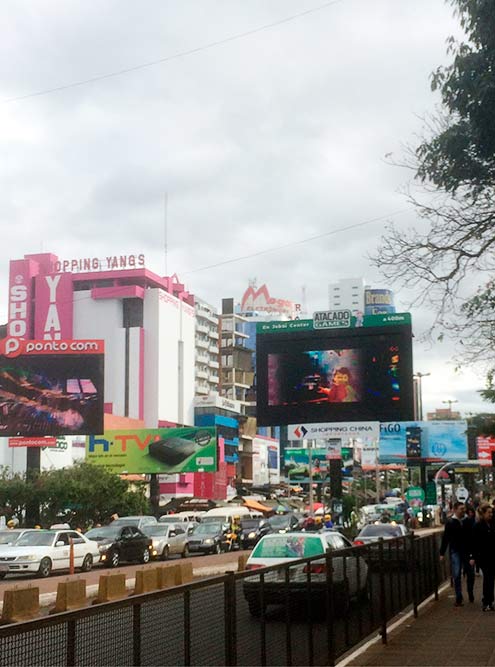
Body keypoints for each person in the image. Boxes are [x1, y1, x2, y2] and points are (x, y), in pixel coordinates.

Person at [439, 501, 474, 606]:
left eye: (464, 509)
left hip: (467, 551)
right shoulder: (450, 522)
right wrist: (442, 552)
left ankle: (470, 592)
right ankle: (459, 597)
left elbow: (472, 537)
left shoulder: (467, 521)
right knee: (456, 574)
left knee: (470, 574)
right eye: (461, 509)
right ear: (455, 510)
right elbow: (446, 538)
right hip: (456, 551)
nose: (463, 511)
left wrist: (473, 553)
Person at [470, 503, 495, 611]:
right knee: (488, 578)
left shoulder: (492, 524)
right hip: (484, 557)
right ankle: (486, 601)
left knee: (491, 579)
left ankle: (490, 601)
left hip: (493, 556)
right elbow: (474, 543)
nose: (491, 514)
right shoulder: (478, 526)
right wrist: (473, 557)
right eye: (489, 512)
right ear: (483, 513)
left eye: (491, 512)